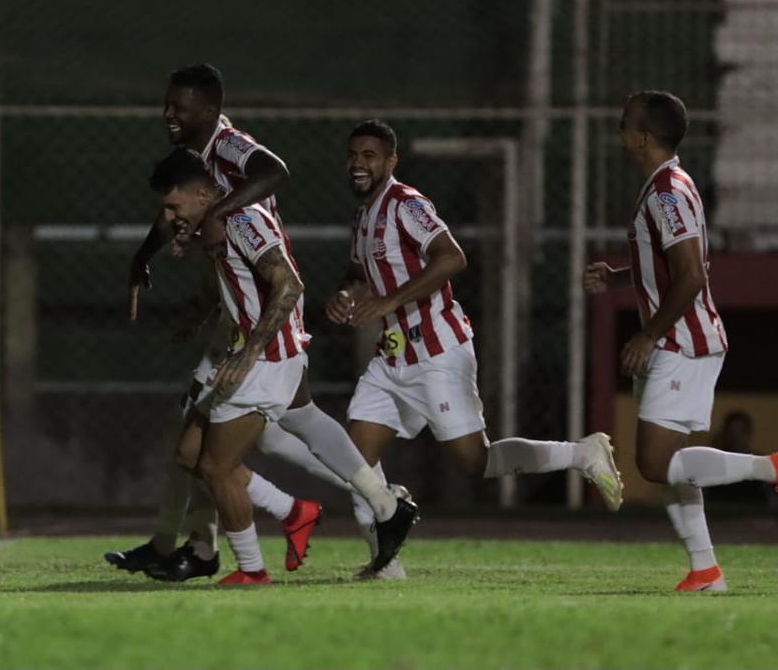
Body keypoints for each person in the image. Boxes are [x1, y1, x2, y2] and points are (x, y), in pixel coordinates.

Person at [108, 64, 415, 583]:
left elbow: (275, 173)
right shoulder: (196, 173)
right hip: (244, 305)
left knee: (204, 455)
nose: (168, 114)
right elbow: (182, 209)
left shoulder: (227, 150)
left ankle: (217, 551)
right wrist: (150, 253)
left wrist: (216, 217)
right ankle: (380, 506)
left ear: (207, 111)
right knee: (291, 425)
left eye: (179, 107)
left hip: (260, 319)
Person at [327, 120, 625, 576]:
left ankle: (581, 454)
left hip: (438, 351)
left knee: (473, 462)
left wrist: (389, 300)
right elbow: (357, 270)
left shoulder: (406, 203)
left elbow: (452, 256)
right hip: (392, 357)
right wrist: (347, 293)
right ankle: (385, 561)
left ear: (390, 161)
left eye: (370, 155)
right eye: (353, 154)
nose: (358, 163)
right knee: (354, 458)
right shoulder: (364, 215)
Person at [584, 91, 778, 591]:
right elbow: (670, 268)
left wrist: (648, 334)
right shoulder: (666, 186)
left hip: (681, 340)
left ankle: (770, 467)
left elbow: (691, 274)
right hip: (684, 339)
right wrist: (619, 277)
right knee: (672, 465)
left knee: (655, 463)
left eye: (625, 125)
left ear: (644, 137)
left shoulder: (667, 191)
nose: (621, 133)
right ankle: (705, 568)